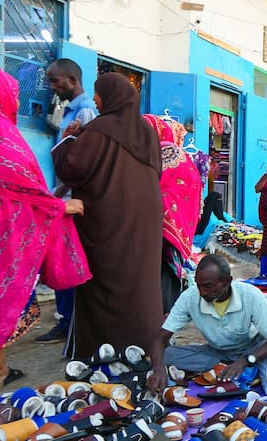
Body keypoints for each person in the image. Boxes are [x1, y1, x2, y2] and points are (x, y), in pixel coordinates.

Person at [0, 69, 90, 384]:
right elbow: (26, 190)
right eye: (14, 93)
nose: (18, 100)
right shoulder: (2, 137)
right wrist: (61, 207)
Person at [52, 72, 164, 359]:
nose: (96, 99)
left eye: (98, 93)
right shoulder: (148, 133)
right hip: (145, 221)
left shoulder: (100, 129)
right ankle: (146, 345)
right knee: (140, 281)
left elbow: (73, 167)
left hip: (108, 221)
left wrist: (67, 141)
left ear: (111, 96)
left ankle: (102, 350)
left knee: (106, 281)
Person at [147, 255, 267, 392]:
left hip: (253, 349)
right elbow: (160, 338)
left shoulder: (250, 295)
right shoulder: (190, 298)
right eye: (198, 285)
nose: (202, 292)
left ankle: (261, 365)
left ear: (227, 281)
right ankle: (236, 369)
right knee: (168, 355)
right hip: (218, 352)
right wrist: (158, 369)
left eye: (208, 286)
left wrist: (246, 360)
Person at [35, 59, 99, 345]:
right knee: (61, 259)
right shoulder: (71, 111)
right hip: (63, 198)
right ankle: (66, 317)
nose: (52, 87)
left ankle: (68, 319)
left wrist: (57, 195)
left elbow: (82, 164)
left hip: (72, 201)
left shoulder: (85, 111)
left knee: (65, 260)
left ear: (72, 79)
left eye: (55, 81)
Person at [142, 115, 202, 314]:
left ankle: (161, 319)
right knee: (165, 271)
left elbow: (153, 185)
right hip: (176, 221)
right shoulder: (176, 153)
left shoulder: (163, 151)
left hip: (164, 221)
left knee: (160, 272)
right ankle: (165, 317)